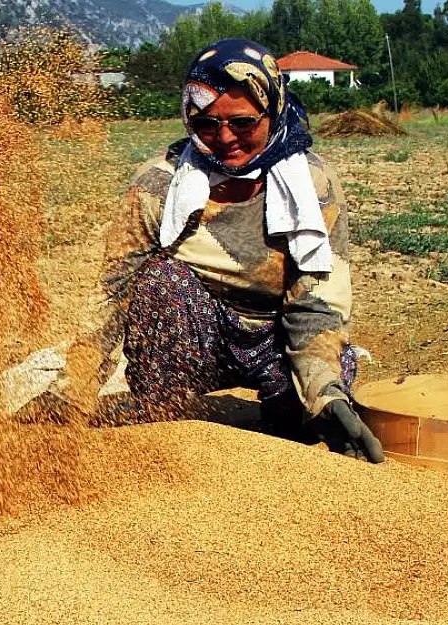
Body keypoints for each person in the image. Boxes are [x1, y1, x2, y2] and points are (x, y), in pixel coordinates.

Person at [69, 38, 383, 462]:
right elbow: (113, 294)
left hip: (277, 336)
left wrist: (325, 394)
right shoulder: (159, 186)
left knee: (316, 408)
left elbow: (316, 306)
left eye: (243, 123)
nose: (224, 138)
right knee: (161, 281)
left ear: (271, 112)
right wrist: (75, 390)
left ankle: (291, 417)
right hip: (198, 333)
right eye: (205, 125)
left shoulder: (313, 185)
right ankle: (169, 430)